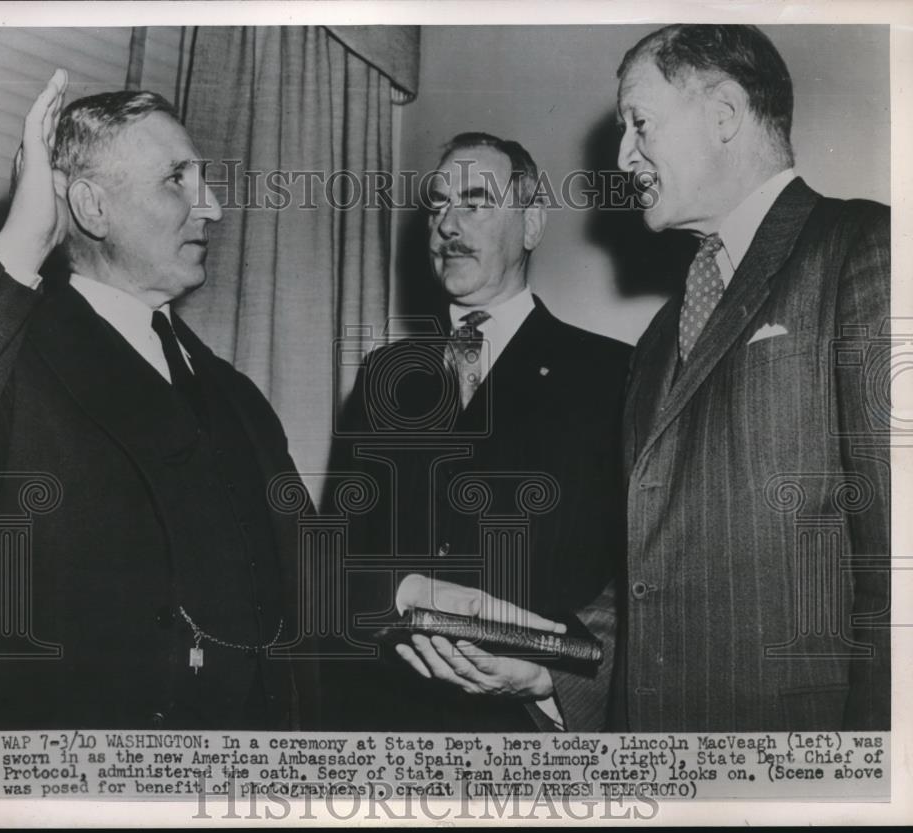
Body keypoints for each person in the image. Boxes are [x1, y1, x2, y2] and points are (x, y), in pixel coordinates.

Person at [0, 71, 314, 730]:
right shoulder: (7, 363)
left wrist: (407, 593)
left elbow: (308, 570)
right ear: (92, 206)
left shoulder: (236, 395)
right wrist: (22, 240)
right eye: (177, 180)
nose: (214, 208)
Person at [612, 24, 890, 730]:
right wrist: (548, 660)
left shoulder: (867, 249)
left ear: (725, 114)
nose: (623, 156)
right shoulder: (653, 341)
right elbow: (652, 577)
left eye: (639, 124)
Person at [328, 133, 631, 731]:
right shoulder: (384, 376)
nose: (447, 224)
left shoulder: (613, 374)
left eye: (474, 201)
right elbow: (336, 555)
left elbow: (631, 575)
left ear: (531, 225)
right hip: (388, 716)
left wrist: (558, 678)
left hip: (527, 725)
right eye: (438, 205)